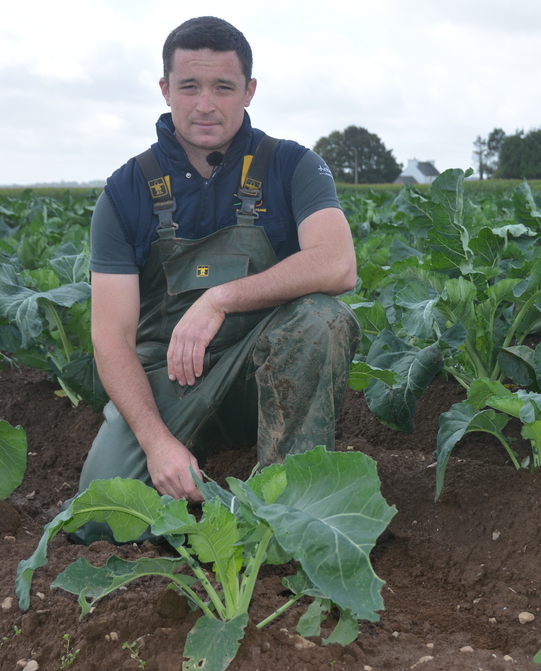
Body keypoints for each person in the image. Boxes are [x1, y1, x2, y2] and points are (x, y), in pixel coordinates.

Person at [76, 16, 359, 524]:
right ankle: (184, 456)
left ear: (249, 91)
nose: (205, 104)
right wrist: (157, 443)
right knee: (103, 518)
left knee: (323, 318)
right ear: (165, 90)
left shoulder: (292, 166)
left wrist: (219, 299)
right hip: (170, 380)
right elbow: (110, 338)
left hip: (263, 373)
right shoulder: (126, 191)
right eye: (189, 86)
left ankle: (287, 506)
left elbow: (337, 263)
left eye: (223, 87)